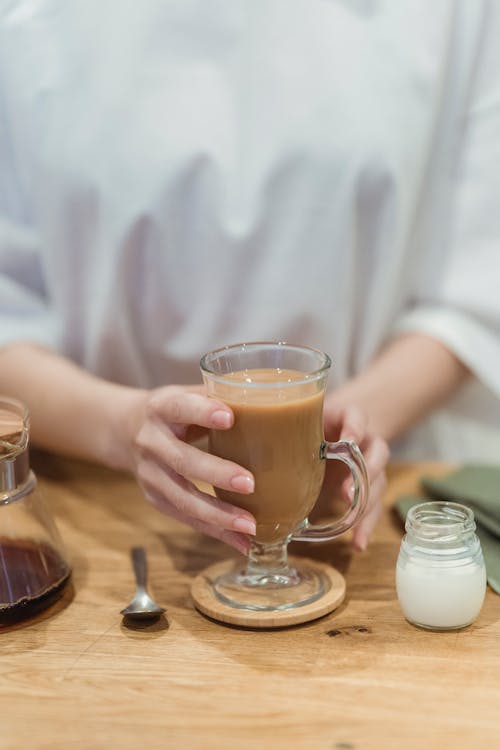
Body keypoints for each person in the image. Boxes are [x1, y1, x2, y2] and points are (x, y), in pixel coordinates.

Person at [0, 1, 499, 555]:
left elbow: (473, 288)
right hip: (94, 503)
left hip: (374, 493)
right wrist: (119, 427)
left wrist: (351, 427)